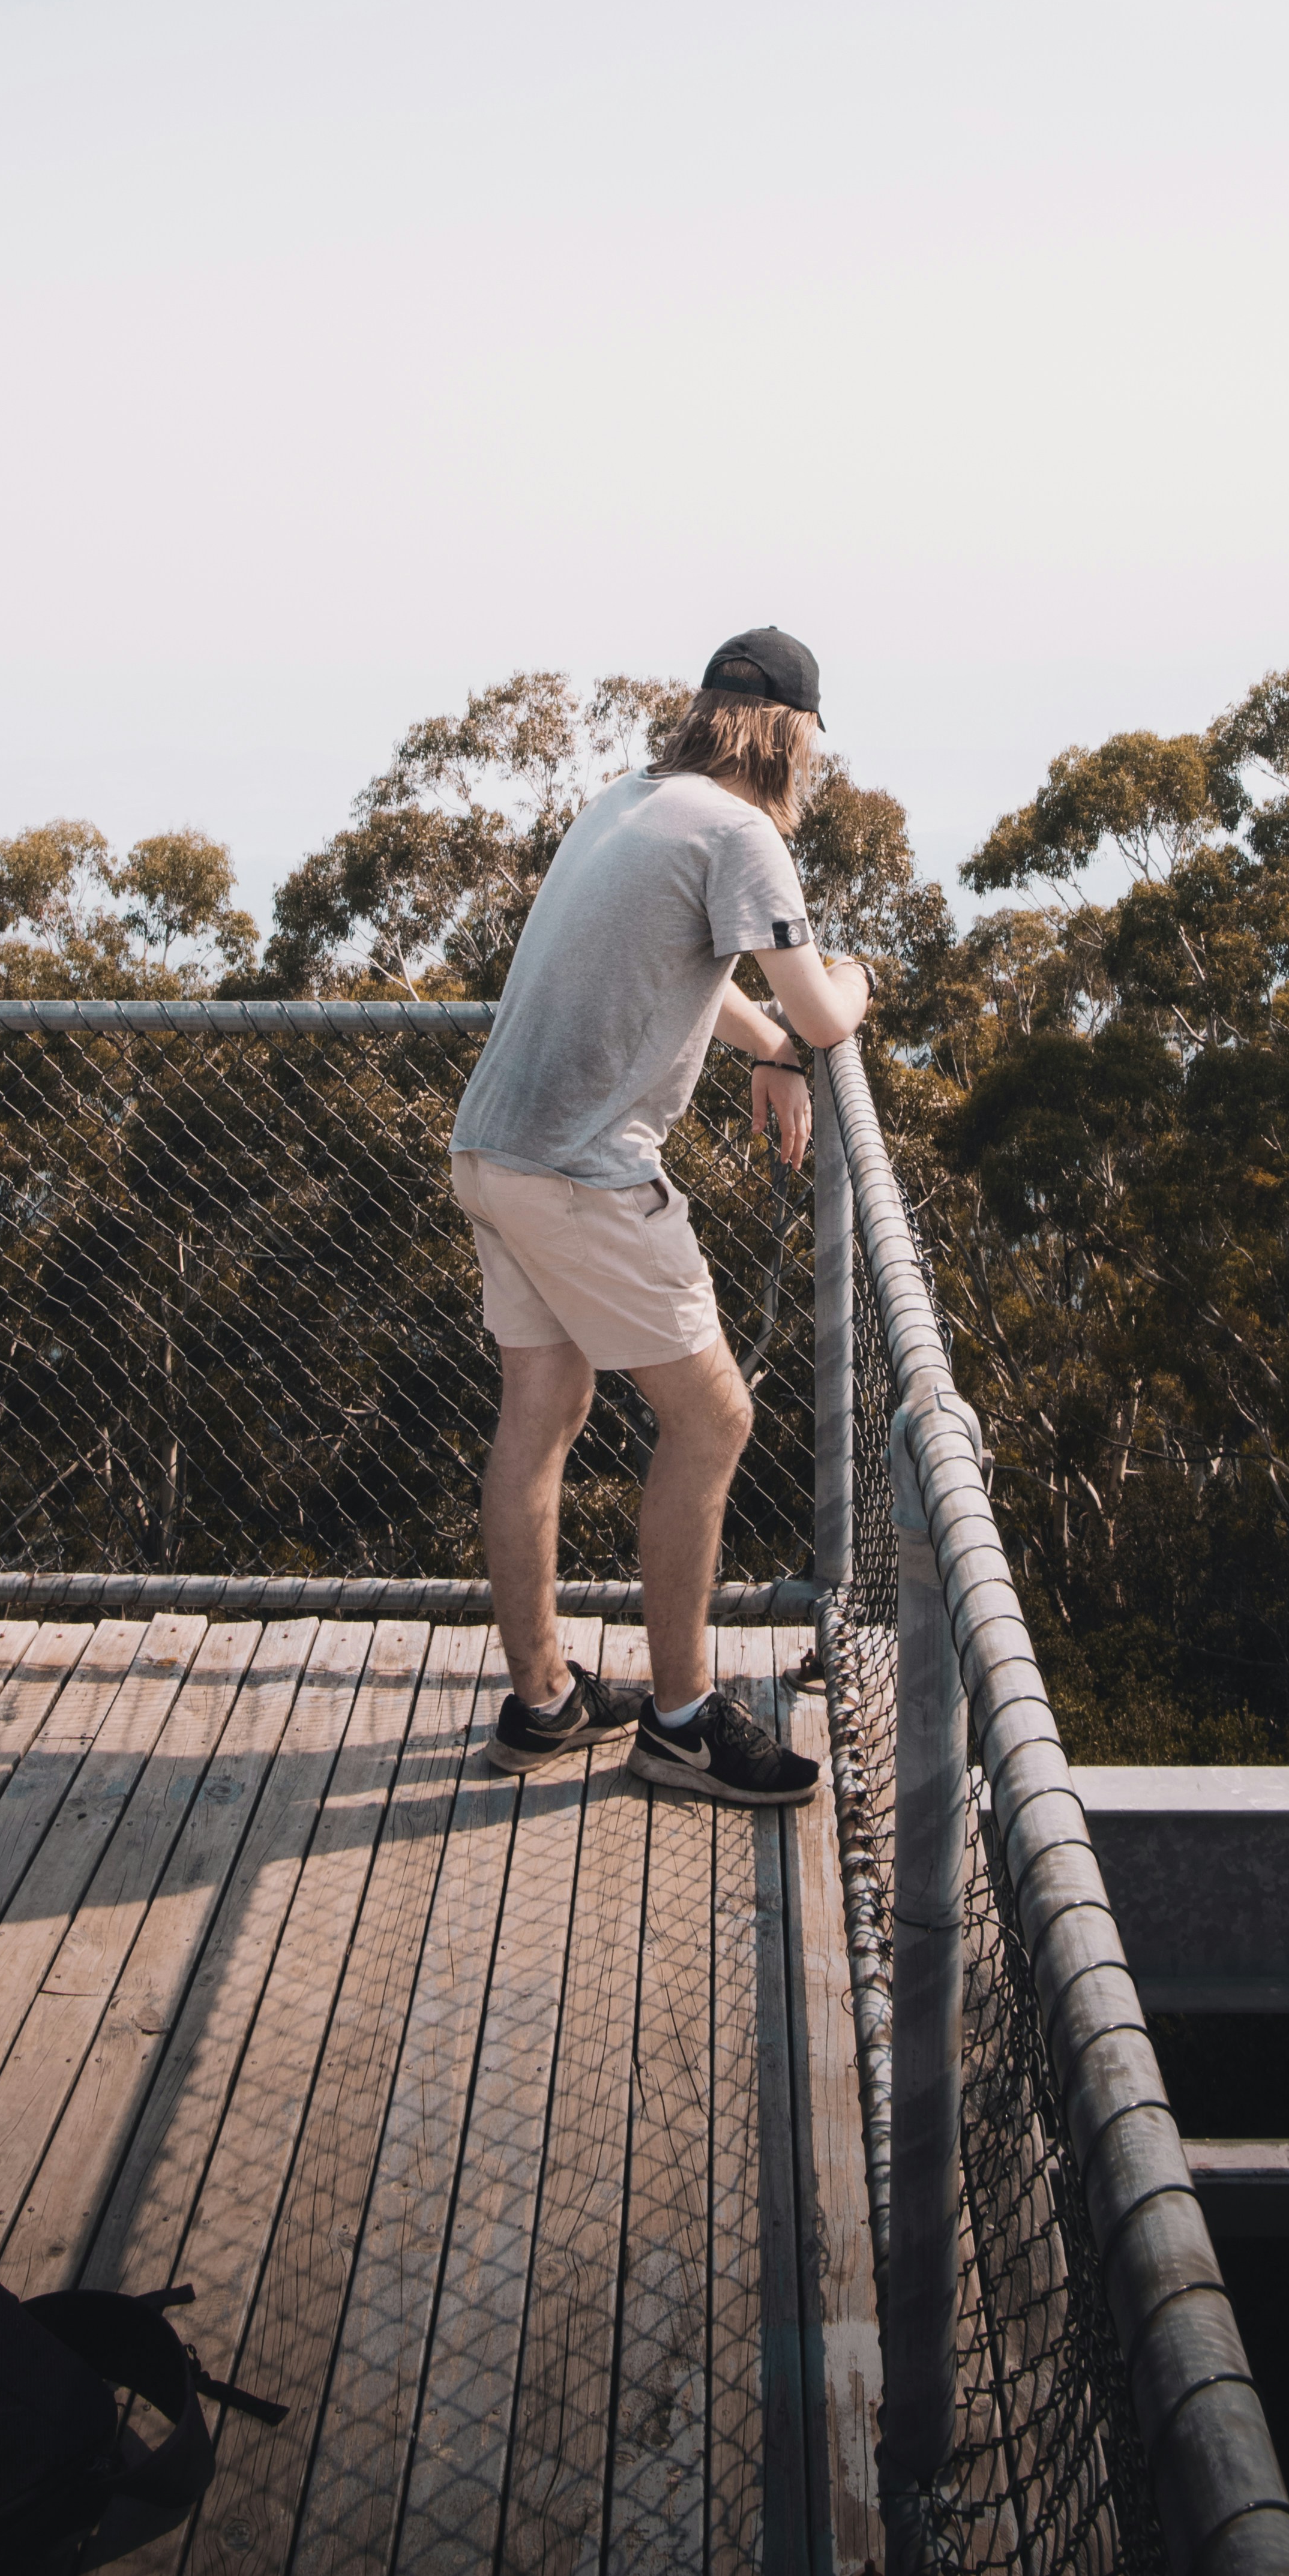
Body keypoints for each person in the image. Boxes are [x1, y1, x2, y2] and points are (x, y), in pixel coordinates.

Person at [449, 626, 873, 1809]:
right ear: (789, 738)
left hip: (493, 1153)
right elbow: (819, 1008)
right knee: (713, 1423)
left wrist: (771, 1047)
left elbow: (703, 982)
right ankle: (680, 1725)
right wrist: (851, 990)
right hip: (584, 1176)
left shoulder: (630, 800)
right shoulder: (742, 833)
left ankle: (543, 1706)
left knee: (540, 1411)